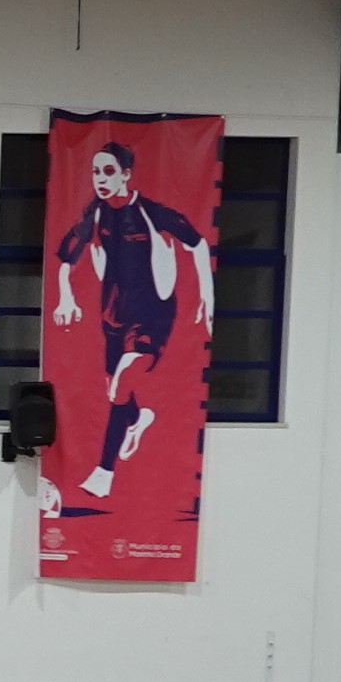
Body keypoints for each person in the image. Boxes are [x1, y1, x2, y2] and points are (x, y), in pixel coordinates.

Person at [44, 136, 208, 502]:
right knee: (114, 391)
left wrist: (206, 297)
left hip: (152, 314)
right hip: (113, 315)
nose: (100, 178)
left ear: (126, 175)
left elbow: (197, 243)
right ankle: (137, 418)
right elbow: (65, 261)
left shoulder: (150, 212)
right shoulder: (95, 215)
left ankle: (103, 472)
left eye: (108, 171)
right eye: (95, 172)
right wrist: (66, 295)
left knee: (122, 382)